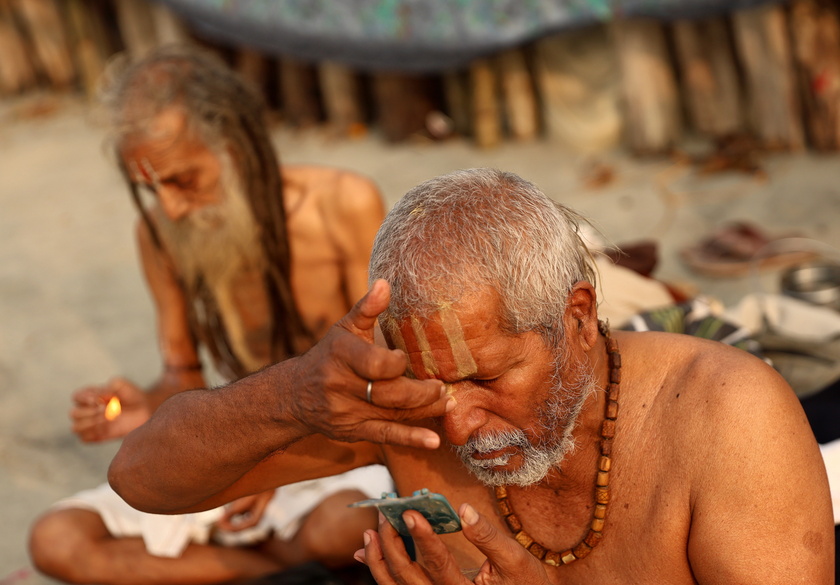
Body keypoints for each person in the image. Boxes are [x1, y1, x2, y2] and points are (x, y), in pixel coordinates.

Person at [108, 168, 834, 584]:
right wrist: (290, 393)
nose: (453, 422)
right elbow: (143, 478)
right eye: (429, 381)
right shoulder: (409, 416)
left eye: (487, 377)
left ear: (577, 314)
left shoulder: (725, 415)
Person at [28, 45, 393, 584]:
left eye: (181, 180)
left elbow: (390, 384)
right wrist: (144, 405)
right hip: (239, 447)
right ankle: (273, 573)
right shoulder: (159, 233)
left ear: (234, 146)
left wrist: (284, 460)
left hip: (342, 455)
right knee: (56, 538)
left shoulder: (343, 204)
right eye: (150, 188)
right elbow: (185, 379)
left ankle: (230, 572)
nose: (170, 208)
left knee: (343, 530)